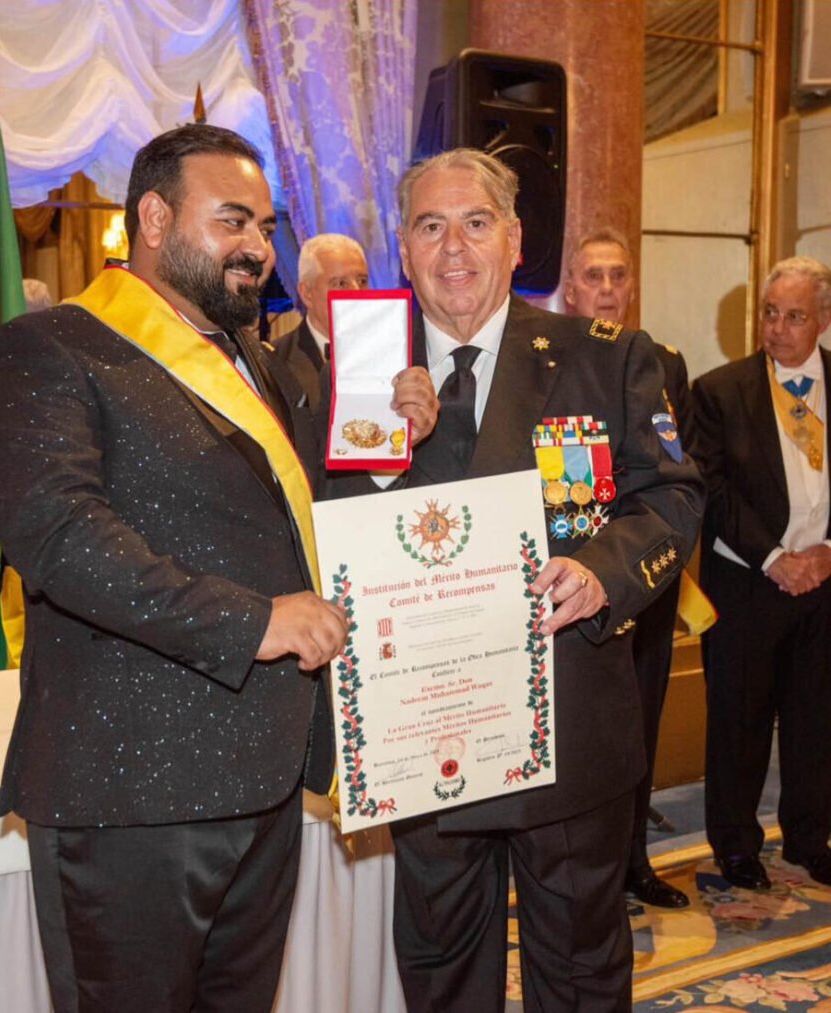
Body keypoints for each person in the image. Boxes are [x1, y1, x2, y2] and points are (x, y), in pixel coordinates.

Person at [0, 125, 361, 1013]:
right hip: (129, 796)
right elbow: (60, 537)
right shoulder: (49, 349)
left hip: (260, 781)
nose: (258, 247)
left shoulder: (251, 361)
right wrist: (255, 621)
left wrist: (387, 437)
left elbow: (288, 521)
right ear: (153, 216)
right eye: (232, 221)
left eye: (264, 226)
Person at [326, 148, 704, 1012]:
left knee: (578, 972)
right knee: (443, 972)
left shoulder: (607, 356)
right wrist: (388, 456)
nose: (453, 246)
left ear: (516, 238)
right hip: (427, 739)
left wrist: (603, 571)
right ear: (404, 246)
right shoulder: (361, 374)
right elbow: (321, 524)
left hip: (567, 725)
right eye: (430, 225)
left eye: (476, 221)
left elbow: (673, 496)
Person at [564, 228, 694, 909]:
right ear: (571, 286)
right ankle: (584, 865)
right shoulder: (545, 357)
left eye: (618, 276)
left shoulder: (662, 362)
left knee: (641, 715)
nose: (608, 288)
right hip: (568, 573)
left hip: (646, 575)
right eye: (594, 275)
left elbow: (679, 473)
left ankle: (633, 859)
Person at [694, 255, 831, 890]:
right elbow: (712, 490)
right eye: (770, 314)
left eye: (794, 316)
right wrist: (776, 559)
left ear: (824, 320)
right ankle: (737, 846)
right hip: (750, 581)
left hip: (825, 582)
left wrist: (827, 552)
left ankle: (808, 839)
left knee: (815, 718)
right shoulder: (720, 391)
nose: (777, 329)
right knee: (740, 723)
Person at [271, 233, 369, 409]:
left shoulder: (389, 353)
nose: (357, 293)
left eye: (362, 281)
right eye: (341, 283)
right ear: (307, 293)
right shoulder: (275, 362)